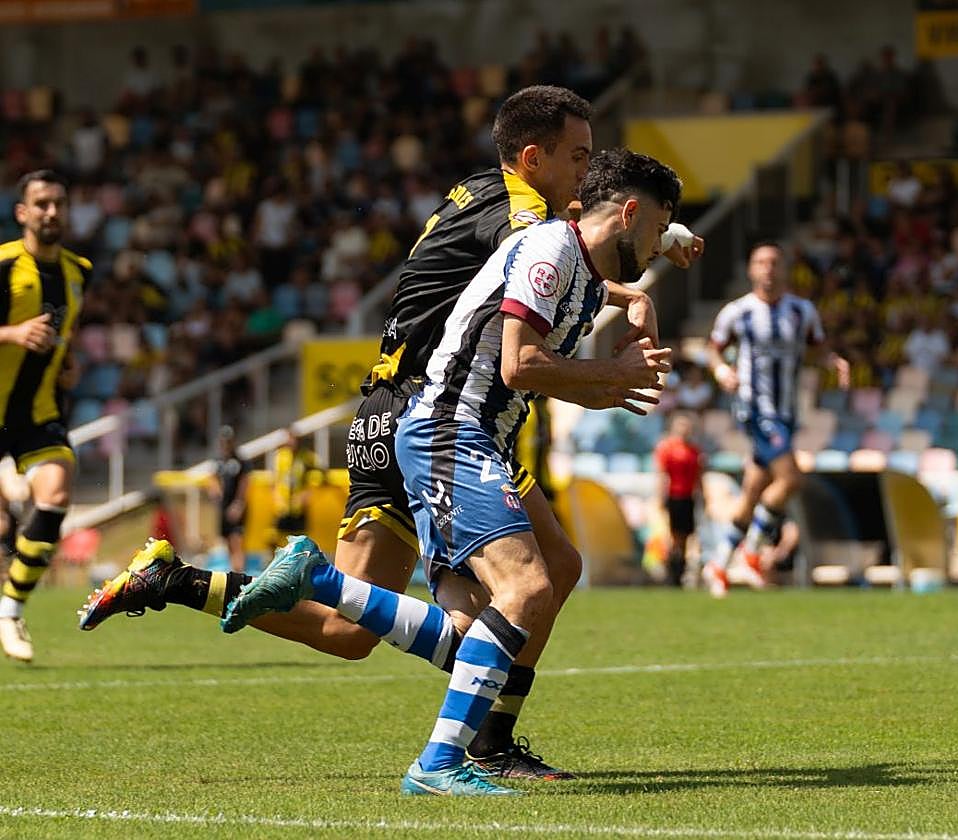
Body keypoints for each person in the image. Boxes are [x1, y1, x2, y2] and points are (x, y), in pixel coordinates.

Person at [79, 86, 701, 780]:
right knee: (496, 592)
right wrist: (632, 296)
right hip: (432, 409)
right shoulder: (530, 222)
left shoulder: (479, 190)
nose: (585, 177)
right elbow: (551, 265)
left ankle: (178, 580)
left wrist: (654, 241)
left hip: (427, 408)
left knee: (492, 592)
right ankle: (478, 746)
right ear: (533, 159)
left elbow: (570, 254)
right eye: (578, 158)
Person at [222, 147, 679, 796]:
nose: (660, 243)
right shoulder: (549, 252)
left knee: (472, 633)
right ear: (630, 212)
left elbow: (607, 266)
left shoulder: (577, 262)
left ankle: (322, 579)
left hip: (462, 438)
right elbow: (520, 365)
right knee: (529, 588)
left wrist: (640, 300)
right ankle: (439, 765)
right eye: (658, 228)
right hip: (451, 434)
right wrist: (612, 377)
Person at [704, 241, 847, 598]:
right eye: (760, 262)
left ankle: (718, 563)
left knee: (754, 490)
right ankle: (753, 551)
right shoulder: (738, 312)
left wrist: (833, 362)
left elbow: (818, 346)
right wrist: (721, 370)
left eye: (774, 262)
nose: (768, 268)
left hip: (786, 412)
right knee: (792, 479)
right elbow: (713, 348)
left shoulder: (802, 311)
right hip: (756, 409)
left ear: (784, 269)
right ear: (752, 270)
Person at [0, 169, 90, 661]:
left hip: (37, 410)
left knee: (56, 492)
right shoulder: (4, 265)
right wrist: (12, 335)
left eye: (58, 203)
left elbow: (66, 332)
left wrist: (68, 362)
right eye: (41, 204)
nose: (51, 212)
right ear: (22, 212)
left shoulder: (81, 271)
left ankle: (9, 612)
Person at [654, 412, 704, 587]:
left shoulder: (694, 451)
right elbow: (662, 474)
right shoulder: (667, 448)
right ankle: (672, 572)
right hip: (674, 496)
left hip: (688, 497)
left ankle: (679, 572)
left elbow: (699, 476)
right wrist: (660, 497)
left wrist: (703, 496)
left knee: (686, 536)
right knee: (675, 536)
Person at [270, 424, 321, 548]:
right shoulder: (280, 456)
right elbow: (275, 480)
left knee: (299, 539)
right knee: (273, 537)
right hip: (282, 505)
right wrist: (276, 497)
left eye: (293, 438)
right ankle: (275, 563)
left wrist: (307, 494)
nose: (291, 442)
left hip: (298, 506)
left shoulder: (306, 456)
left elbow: (319, 474)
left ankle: (298, 563)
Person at [210, 425, 249, 573]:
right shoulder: (219, 461)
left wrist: (239, 503)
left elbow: (245, 483)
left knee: (237, 541)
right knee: (227, 542)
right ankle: (234, 572)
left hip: (235, 506)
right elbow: (213, 478)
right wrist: (215, 491)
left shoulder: (240, 461)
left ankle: (239, 576)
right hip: (224, 507)